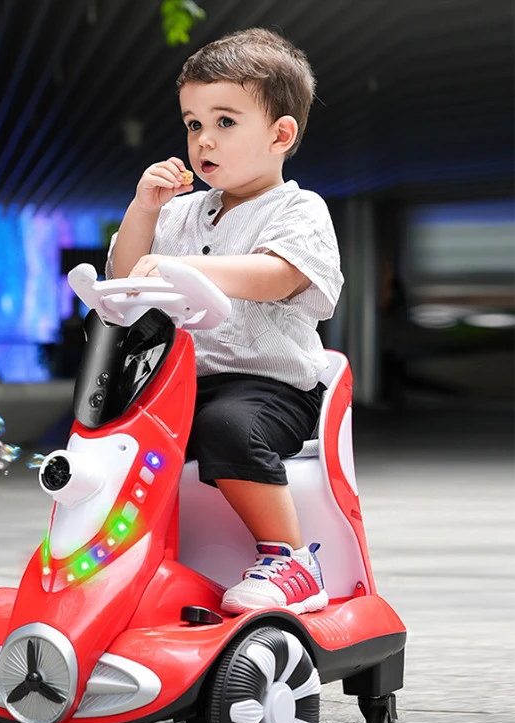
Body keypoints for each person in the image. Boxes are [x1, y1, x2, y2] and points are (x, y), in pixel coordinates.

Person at [106, 28, 343, 615]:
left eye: (225, 122)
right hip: (177, 385)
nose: (203, 139)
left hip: (270, 389)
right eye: (193, 124)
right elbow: (127, 273)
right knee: (114, 437)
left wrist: (185, 268)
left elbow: (278, 276)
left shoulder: (298, 209)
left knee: (227, 425)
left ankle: (292, 560)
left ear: (280, 135)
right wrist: (144, 209)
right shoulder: (180, 212)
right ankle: (121, 560)